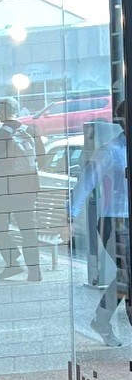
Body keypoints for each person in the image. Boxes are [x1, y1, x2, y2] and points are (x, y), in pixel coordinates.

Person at [70, 104, 129, 346]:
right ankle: (102, 320)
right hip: (115, 222)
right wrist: (70, 217)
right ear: (122, 121)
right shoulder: (110, 151)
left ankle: (101, 320)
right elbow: (86, 182)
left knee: (125, 276)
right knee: (127, 275)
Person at [0, 98, 41, 282]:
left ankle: (12, 261)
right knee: (28, 229)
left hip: (5, 189)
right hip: (28, 187)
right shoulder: (31, 131)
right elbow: (42, 158)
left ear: (3, 113)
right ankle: (34, 271)